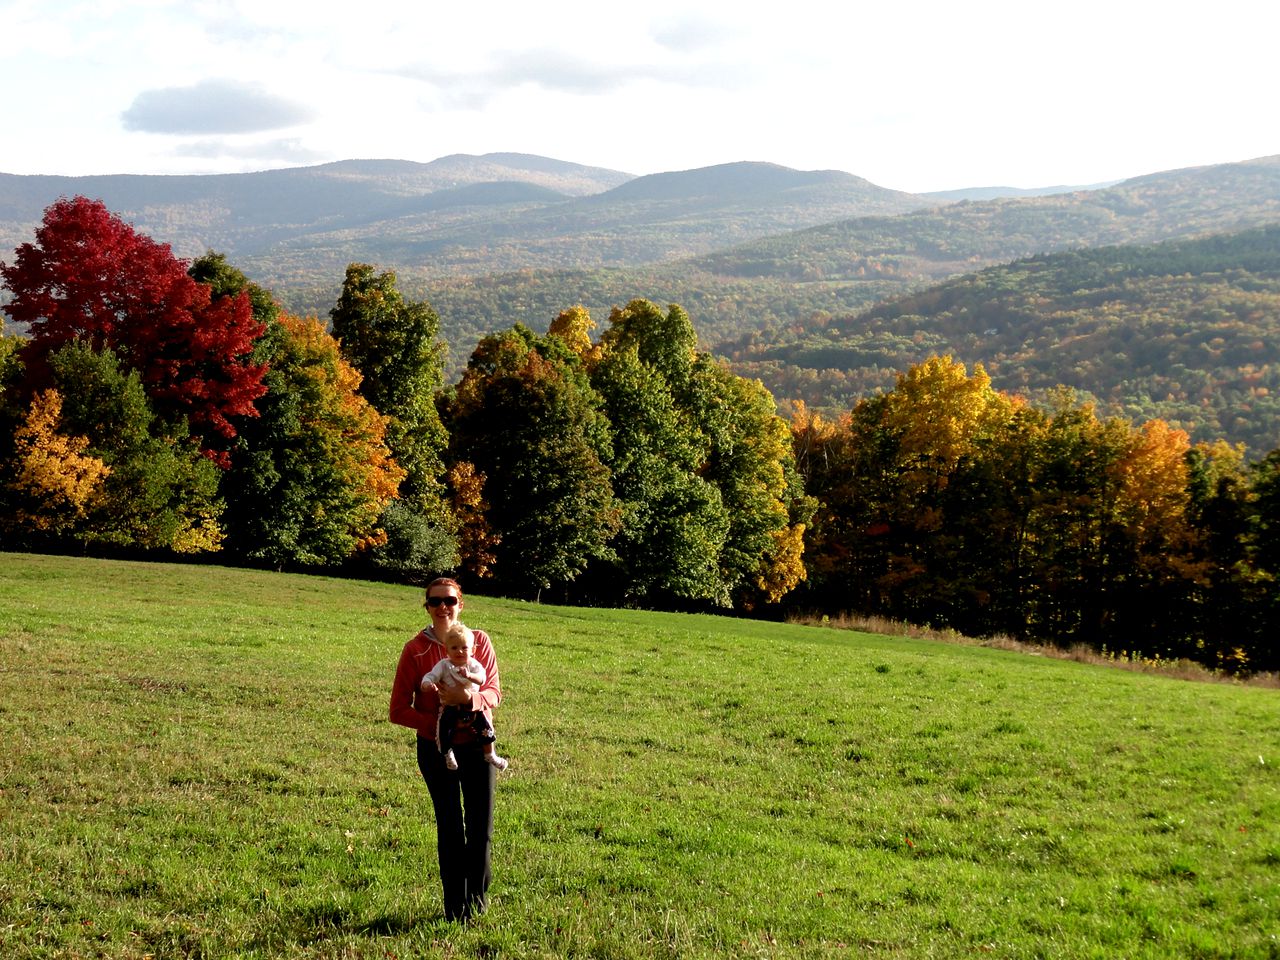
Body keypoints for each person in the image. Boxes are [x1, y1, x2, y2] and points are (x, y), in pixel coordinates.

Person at [389, 577, 503, 921]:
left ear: (460, 604)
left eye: (450, 601)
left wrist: (470, 699)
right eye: (435, 601)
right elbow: (397, 710)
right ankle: (455, 908)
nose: (443, 607)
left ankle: (477, 906)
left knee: (481, 828)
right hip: (438, 750)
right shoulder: (415, 650)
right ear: (426, 606)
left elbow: (494, 692)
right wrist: (441, 727)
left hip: (478, 748)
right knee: (451, 828)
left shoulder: (479, 642)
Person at [420, 622, 508, 772]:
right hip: (450, 707)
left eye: (464, 648)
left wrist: (470, 676)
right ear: (446, 649)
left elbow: (482, 679)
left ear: (473, 650)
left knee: (485, 728)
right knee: (443, 728)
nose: (459, 651)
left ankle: (490, 753)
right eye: (454, 648)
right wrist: (427, 684)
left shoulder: (473, 665)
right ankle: (447, 753)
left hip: (472, 707)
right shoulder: (444, 665)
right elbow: (431, 676)